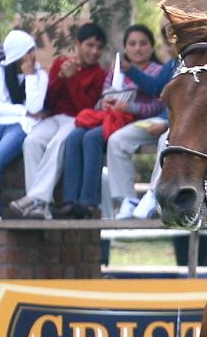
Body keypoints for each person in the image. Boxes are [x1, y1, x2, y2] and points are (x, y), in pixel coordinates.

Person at [57, 24, 162, 219]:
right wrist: (104, 103)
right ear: (125, 48)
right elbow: (104, 96)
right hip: (110, 119)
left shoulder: (157, 71)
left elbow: (158, 106)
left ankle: (88, 202)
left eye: (143, 44)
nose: (137, 48)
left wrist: (130, 108)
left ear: (152, 47)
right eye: (132, 44)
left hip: (136, 124)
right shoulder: (117, 70)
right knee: (74, 137)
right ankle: (70, 201)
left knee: (92, 138)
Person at [9, 23, 107, 218]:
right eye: (90, 45)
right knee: (31, 141)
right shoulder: (60, 62)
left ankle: (34, 198)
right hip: (54, 117)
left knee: (59, 143)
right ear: (78, 44)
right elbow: (49, 102)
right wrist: (61, 77)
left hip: (77, 120)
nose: (94, 51)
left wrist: (72, 80)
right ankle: (39, 207)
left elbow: (85, 108)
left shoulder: (100, 75)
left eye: (99, 47)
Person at [0, 31, 47, 219]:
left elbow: (35, 106)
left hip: (21, 127)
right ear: (17, 54)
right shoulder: (0, 72)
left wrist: (29, 77)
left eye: (32, 51)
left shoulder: (39, 75)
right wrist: (22, 110)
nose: (32, 56)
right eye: (27, 52)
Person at [107, 27, 177, 218]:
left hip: (176, 127)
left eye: (171, 43)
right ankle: (127, 200)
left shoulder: (195, 66)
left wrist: (167, 125)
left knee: (166, 140)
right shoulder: (171, 65)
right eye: (166, 44)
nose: (168, 48)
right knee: (117, 140)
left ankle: (154, 195)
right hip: (159, 121)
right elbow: (155, 88)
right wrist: (131, 71)